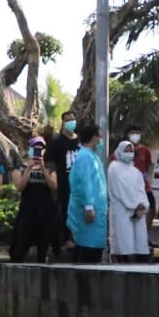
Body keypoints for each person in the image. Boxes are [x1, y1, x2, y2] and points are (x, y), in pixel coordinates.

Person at [9, 136, 59, 263]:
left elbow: (54, 186)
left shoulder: (49, 166)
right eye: (35, 148)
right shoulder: (19, 167)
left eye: (41, 148)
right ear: (29, 149)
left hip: (46, 210)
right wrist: (29, 168)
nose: (38, 151)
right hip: (28, 210)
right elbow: (20, 186)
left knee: (43, 245)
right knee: (22, 242)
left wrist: (43, 168)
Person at [66, 123, 108, 263]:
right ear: (94, 138)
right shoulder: (85, 157)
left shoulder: (92, 156)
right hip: (88, 212)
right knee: (86, 252)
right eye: (100, 137)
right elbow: (85, 184)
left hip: (96, 212)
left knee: (94, 251)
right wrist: (88, 207)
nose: (101, 141)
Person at [107, 140, 150, 262]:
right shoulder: (114, 168)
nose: (129, 153)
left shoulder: (135, 171)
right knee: (123, 243)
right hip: (122, 210)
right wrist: (135, 206)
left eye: (131, 150)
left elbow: (141, 190)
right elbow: (120, 190)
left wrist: (142, 206)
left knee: (140, 243)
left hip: (138, 211)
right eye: (126, 150)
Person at [45, 112, 81, 257]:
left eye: (73, 119)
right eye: (67, 120)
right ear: (63, 123)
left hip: (80, 183)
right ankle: (66, 239)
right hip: (64, 184)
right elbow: (48, 160)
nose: (71, 122)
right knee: (65, 211)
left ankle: (77, 237)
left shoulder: (80, 141)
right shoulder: (57, 142)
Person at [127, 125, 156, 240]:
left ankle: (145, 235)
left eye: (138, 133)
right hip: (129, 187)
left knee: (151, 208)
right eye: (133, 133)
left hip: (144, 186)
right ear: (128, 134)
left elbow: (149, 167)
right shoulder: (124, 150)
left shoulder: (145, 151)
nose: (135, 135)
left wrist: (147, 180)